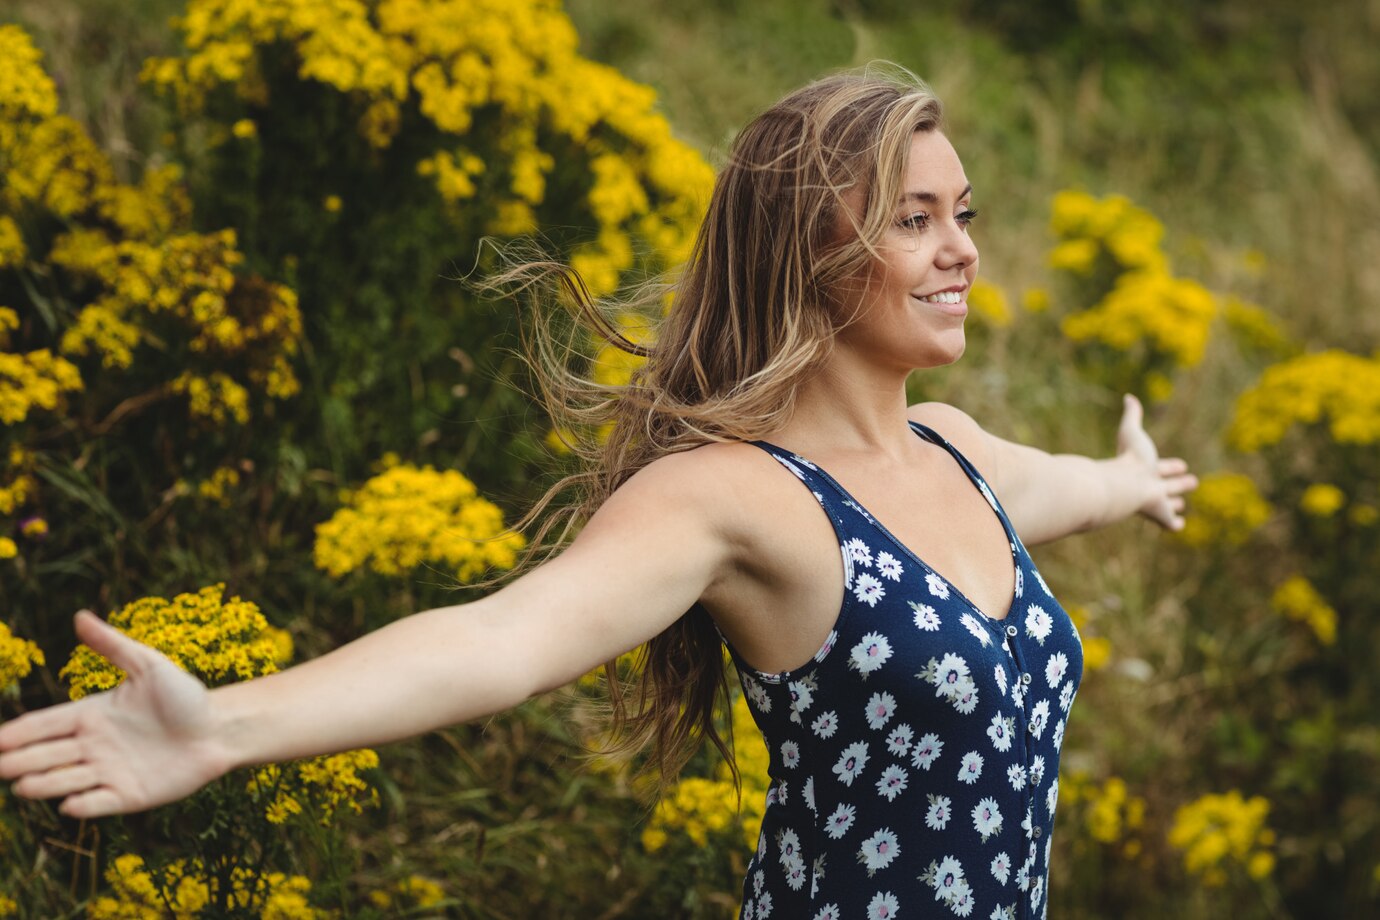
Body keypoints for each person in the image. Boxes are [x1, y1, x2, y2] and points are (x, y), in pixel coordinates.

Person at [0, 67, 1196, 919]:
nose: (962, 249)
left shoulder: (959, 454)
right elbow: (499, 641)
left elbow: (1074, 488)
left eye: (964, 214)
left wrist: (1135, 477)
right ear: (810, 251)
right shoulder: (740, 498)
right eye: (913, 219)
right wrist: (224, 724)